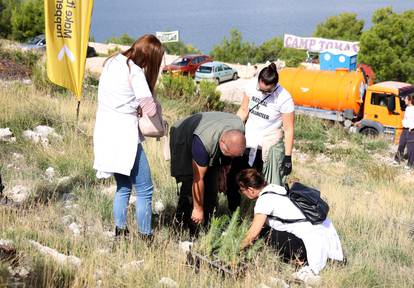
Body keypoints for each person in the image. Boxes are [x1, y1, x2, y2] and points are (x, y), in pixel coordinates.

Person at [93, 34, 165, 239]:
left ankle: (120, 231)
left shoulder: (113, 61)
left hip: (106, 132)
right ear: (149, 57)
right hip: (125, 136)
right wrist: (156, 109)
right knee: (145, 188)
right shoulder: (135, 72)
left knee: (123, 186)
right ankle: (145, 235)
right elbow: (150, 109)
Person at [237, 169, 344, 281]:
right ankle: (298, 258)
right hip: (324, 238)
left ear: (250, 190)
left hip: (312, 243)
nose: (242, 194)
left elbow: (252, 234)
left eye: (242, 190)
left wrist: (235, 249)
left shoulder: (264, 200)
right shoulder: (276, 189)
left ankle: (301, 259)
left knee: (265, 234)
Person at [226, 62, 295, 212]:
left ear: (275, 86)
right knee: (234, 180)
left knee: (264, 186)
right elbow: (244, 110)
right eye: (260, 89)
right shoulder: (251, 86)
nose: (262, 93)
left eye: (266, 92)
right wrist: (231, 130)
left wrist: (288, 158)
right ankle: (234, 215)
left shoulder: (284, 98)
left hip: (265, 149)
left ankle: (262, 219)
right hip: (245, 144)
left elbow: (288, 129)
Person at [170, 112, 246, 235]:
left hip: (211, 134)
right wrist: (198, 209)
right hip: (185, 134)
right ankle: (181, 224)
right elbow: (198, 179)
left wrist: (222, 173)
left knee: (212, 186)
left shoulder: (239, 129)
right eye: (227, 154)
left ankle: (206, 227)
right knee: (190, 184)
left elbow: (229, 156)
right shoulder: (202, 143)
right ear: (221, 142)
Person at [395, 95, 414, 168]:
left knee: (410, 148)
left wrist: (411, 127)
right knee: (401, 144)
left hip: (411, 130)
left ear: (409, 100)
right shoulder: (407, 108)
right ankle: (397, 160)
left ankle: (410, 164)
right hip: (405, 129)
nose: (404, 100)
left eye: (406, 99)